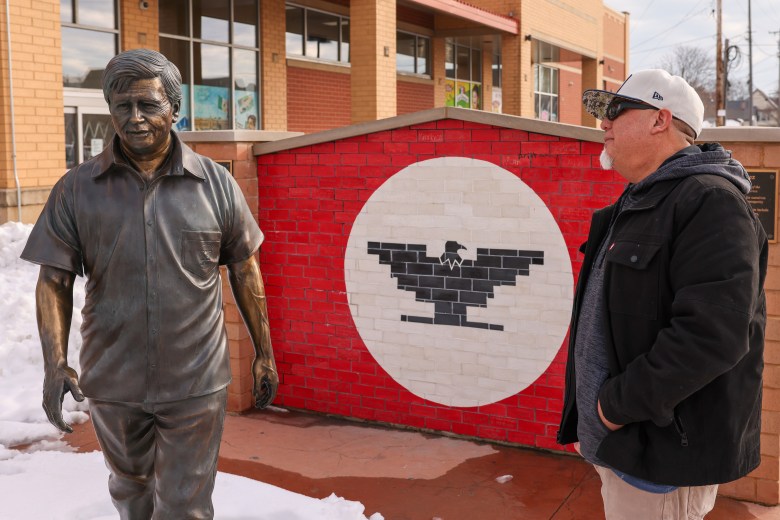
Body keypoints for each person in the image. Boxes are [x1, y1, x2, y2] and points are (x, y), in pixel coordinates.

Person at [22, 49, 278, 519]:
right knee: (131, 494)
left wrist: (264, 351)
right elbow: (53, 280)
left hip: (196, 377)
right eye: (123, 106)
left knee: (185, 507)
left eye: (148, 105)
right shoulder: (76, 189)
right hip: (113, 377)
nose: (135, 118)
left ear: (174, 109)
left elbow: (245, 269)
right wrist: (55, 363)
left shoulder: (216, 185)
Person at [557, 69, 767, 519]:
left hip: (660, 458)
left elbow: (711, 336)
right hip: (624, 446)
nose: (604, 123)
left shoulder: (710, 202)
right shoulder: (641, 200)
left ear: (659, 119)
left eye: (616, 110)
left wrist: (611, 408)